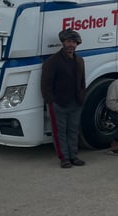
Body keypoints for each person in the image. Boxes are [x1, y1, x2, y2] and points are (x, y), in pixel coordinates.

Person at [40, 28, 86, 168]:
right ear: (63, 43)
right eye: (68, 41)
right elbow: (45, 84)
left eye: (74, 42)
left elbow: (82, 81)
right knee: (59, 132)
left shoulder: (79, 60)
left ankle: (74, 156)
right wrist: (51, 101)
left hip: (75, 102)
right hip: (58, 103)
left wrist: (82, 97)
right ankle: (64, 158)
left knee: (73, 130)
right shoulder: (52, 61)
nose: (71, 44)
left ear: (77, 44)